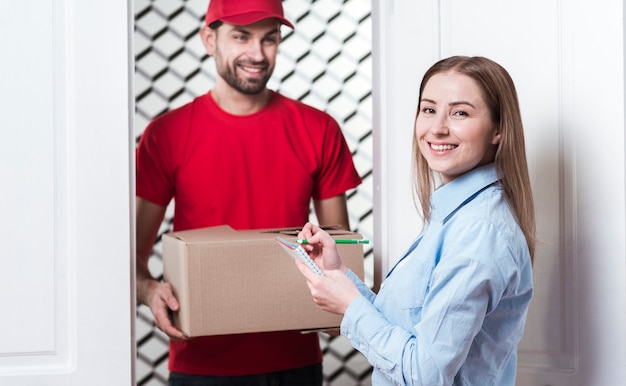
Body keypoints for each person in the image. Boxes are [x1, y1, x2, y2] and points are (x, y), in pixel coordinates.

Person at [135, 0, 362, 384]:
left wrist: (343, 305)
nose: (257, 54)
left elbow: (338, 250)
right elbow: (132, 256)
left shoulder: (319, 130)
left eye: (269, 39)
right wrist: (148, 290)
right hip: (200, 365)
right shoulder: (166, 134)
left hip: (294, 363)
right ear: (209, 39)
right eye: (241, 37)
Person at [294, 56, 536, 385]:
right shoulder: (456, 215)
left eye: (460, 112)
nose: (437, 128)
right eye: (428, 109)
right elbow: (407, 329)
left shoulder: (479, 230)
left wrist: (350, 305)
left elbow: (425, 373)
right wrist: (340, 278)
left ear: (498, 129)